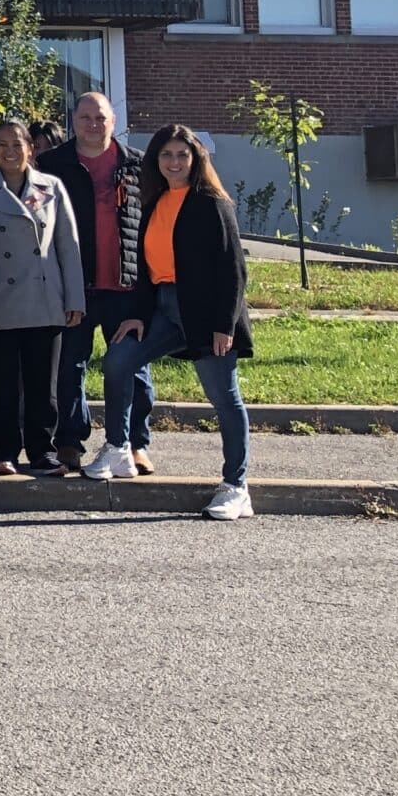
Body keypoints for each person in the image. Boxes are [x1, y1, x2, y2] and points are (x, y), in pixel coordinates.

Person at [80, 125, 255, 518]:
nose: (174, 163)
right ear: (155, 161)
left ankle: (236, 487)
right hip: (163, 308)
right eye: (166, 155)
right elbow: (145, 268)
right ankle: (119, 449)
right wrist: (139, 316)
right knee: (120, 360)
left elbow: (233, 270)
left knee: (224, 399)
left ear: (196, 159)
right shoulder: (154, 200)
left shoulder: (211, 202)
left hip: (206, 314)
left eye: (182, 155)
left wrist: (224, 326)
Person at [0, 119, 84, 478]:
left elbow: (68, 246)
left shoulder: (52, 187)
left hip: (45, 299)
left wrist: (74, 298)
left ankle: (42, 451)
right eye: (2, 145)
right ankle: (4, 450)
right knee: (1, 383)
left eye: (17, 144)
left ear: (31, 148)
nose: (10, 151)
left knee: (43, 384)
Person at [40, 92, 143, 474]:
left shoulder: (137, 165)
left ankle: (135, 442)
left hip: (125, 288)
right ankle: (70, 440)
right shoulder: (53, 165)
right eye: (85, 117)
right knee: (70, 367)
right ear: (73, 121)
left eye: (100, 117)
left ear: (113, 121)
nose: (93, 124)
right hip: (75, 287)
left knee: (133, 367)